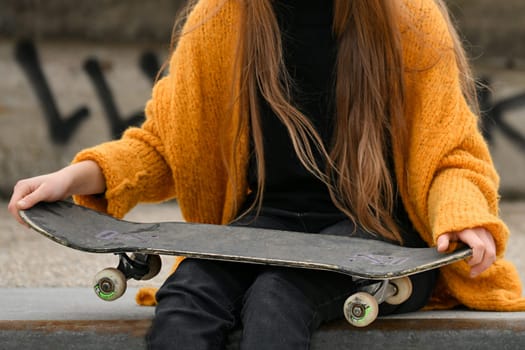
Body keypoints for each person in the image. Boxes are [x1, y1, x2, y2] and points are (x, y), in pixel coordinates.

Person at [8, 0, 525, 348]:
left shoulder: (406, 18)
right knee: (187, 303)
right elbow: (165, 146)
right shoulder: (220, 20)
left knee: (277, 300)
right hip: (268, 226)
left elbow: (452, 153)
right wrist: (74, 179)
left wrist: (463, 217)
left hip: (381, 238)